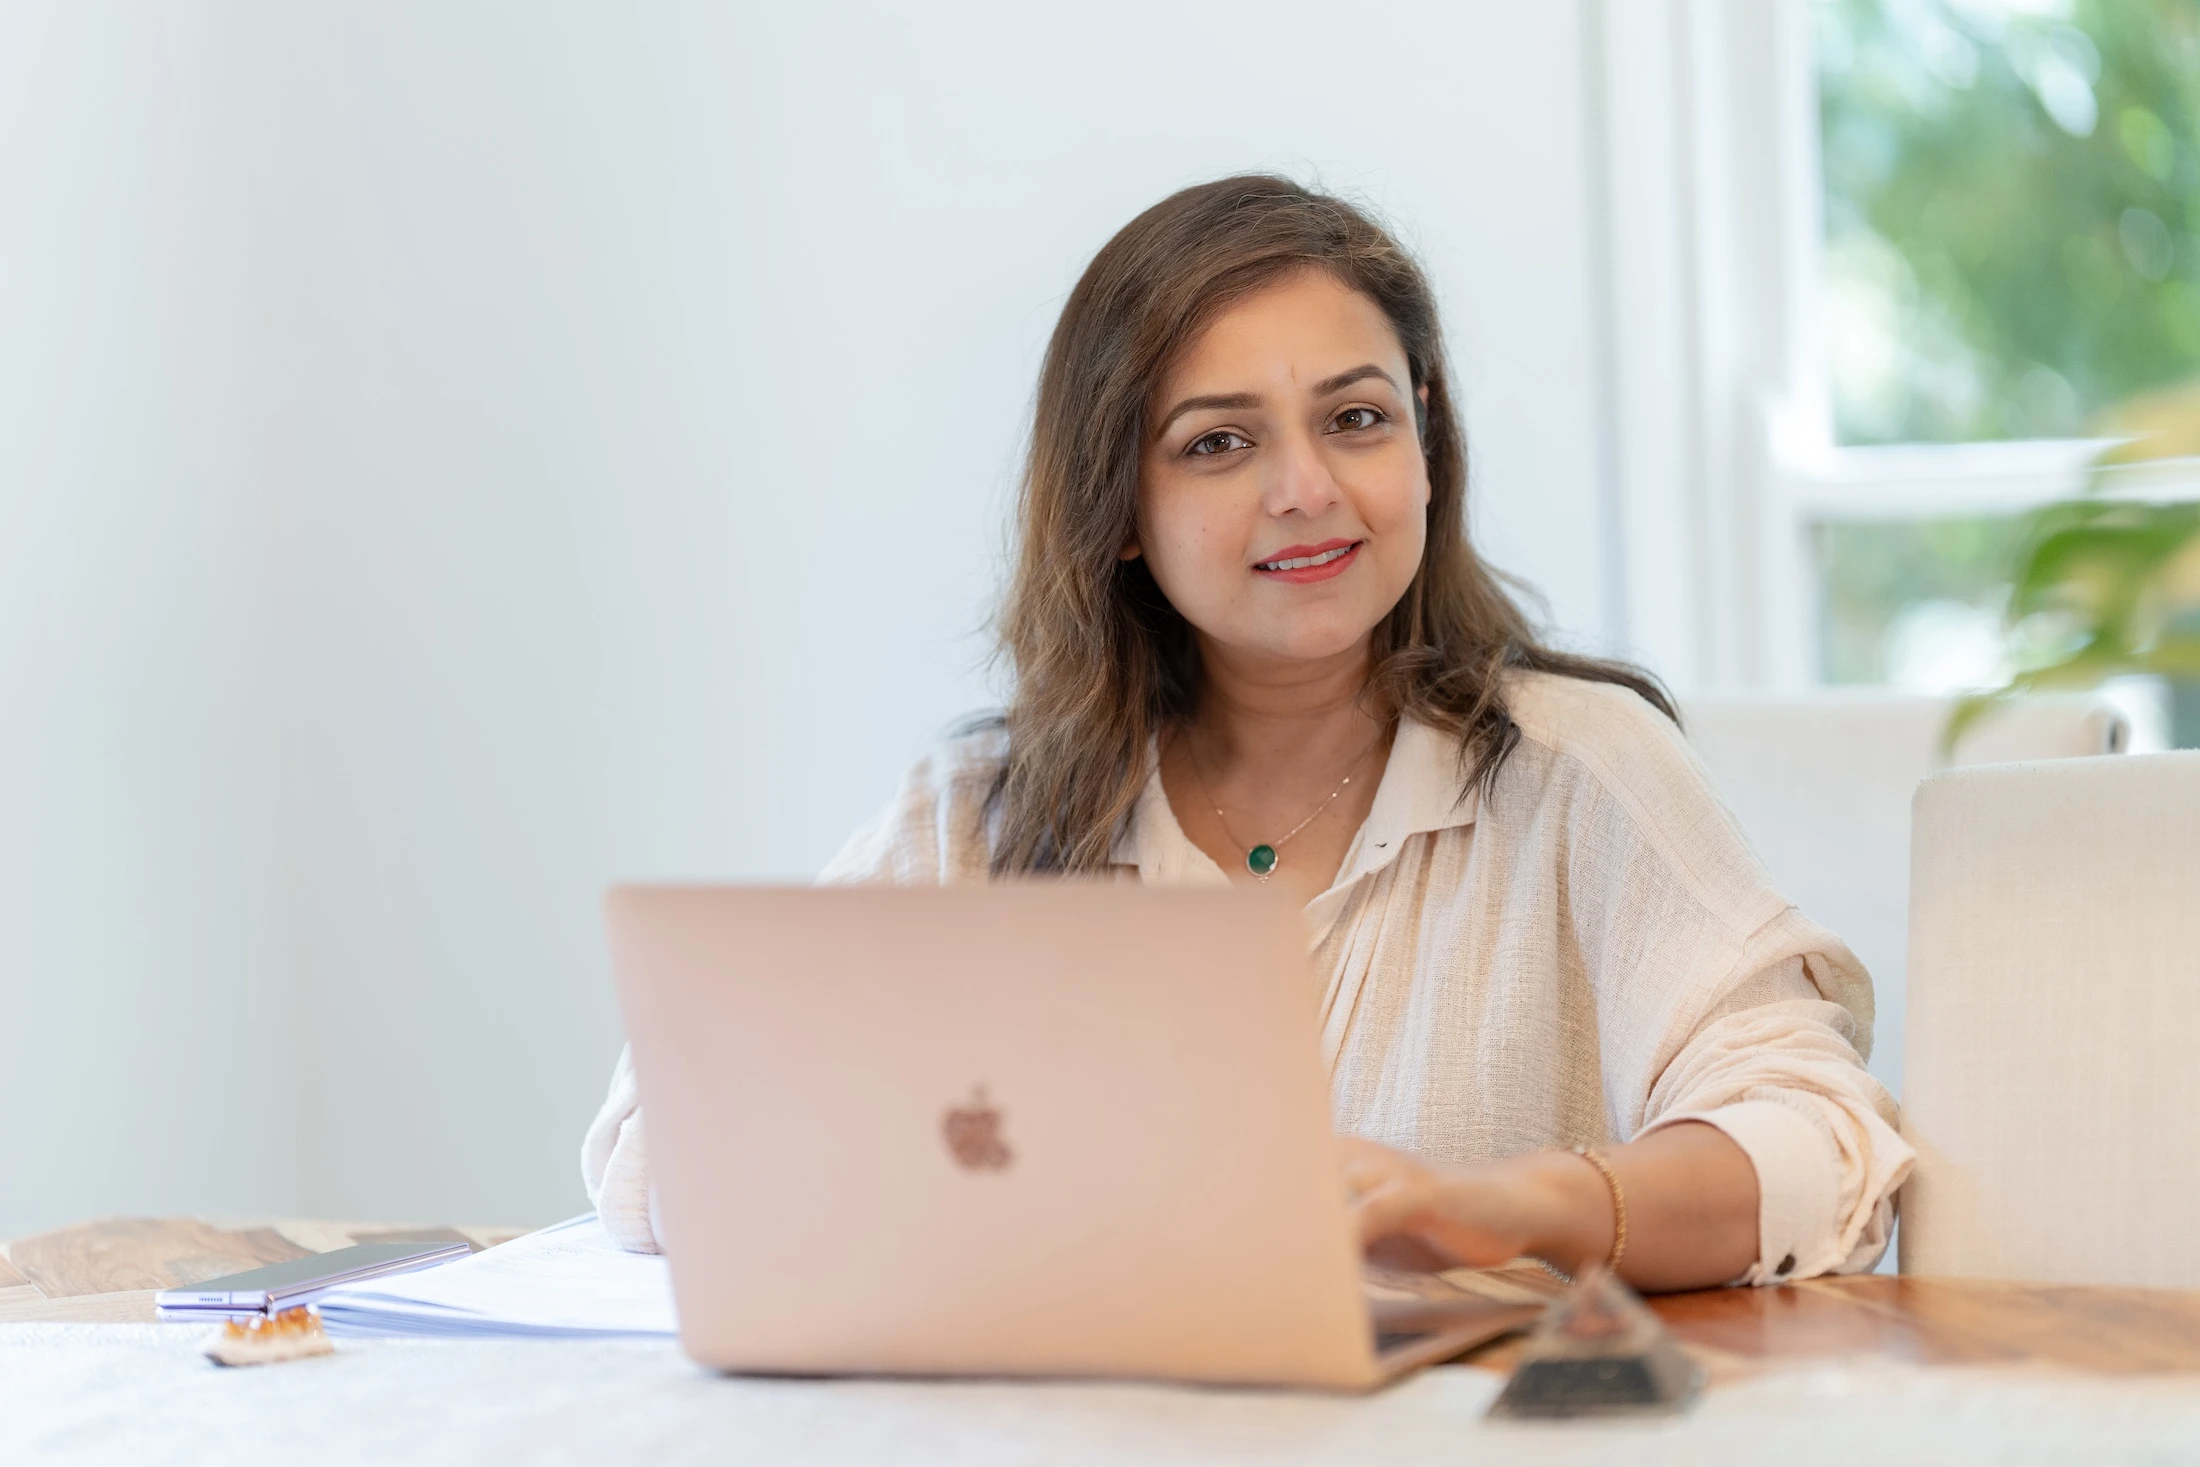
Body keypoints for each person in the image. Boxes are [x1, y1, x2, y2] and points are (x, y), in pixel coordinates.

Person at [583, 175, 1911, 1291]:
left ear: (1426, 444)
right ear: (1117, 507)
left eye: (1357, 419)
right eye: (1219, 443)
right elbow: (652, 1153)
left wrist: (1516, 1208)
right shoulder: (983, 815)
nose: (1306, 488)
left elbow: (1824, 1147)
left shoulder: (1579, 771)